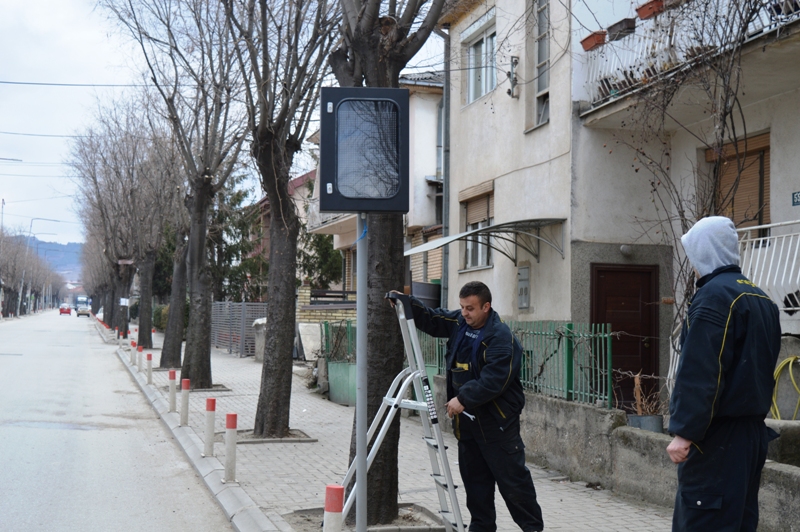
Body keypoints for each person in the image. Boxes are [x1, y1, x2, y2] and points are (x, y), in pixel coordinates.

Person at [397, 281, 544, 532]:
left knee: (514, 485)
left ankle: (532, 528)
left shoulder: (501, 337)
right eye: (462, 307)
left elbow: (494, 379)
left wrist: (463, 399)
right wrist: (407, 304)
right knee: (476, 486)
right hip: (467, 425)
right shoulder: (461, 323)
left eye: (471, 308)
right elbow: (434, 319)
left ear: (486, 307)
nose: (464, 313)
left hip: (497, 425)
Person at [667, 216, 781, 531]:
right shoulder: (762, 299)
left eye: (693, 254)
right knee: (739, 522)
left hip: (718, 440)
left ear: (705, 251)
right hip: (751, 437)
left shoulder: (715, 298)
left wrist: (684, 432)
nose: (692, 265)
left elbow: (703, 372)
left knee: (704, 522)